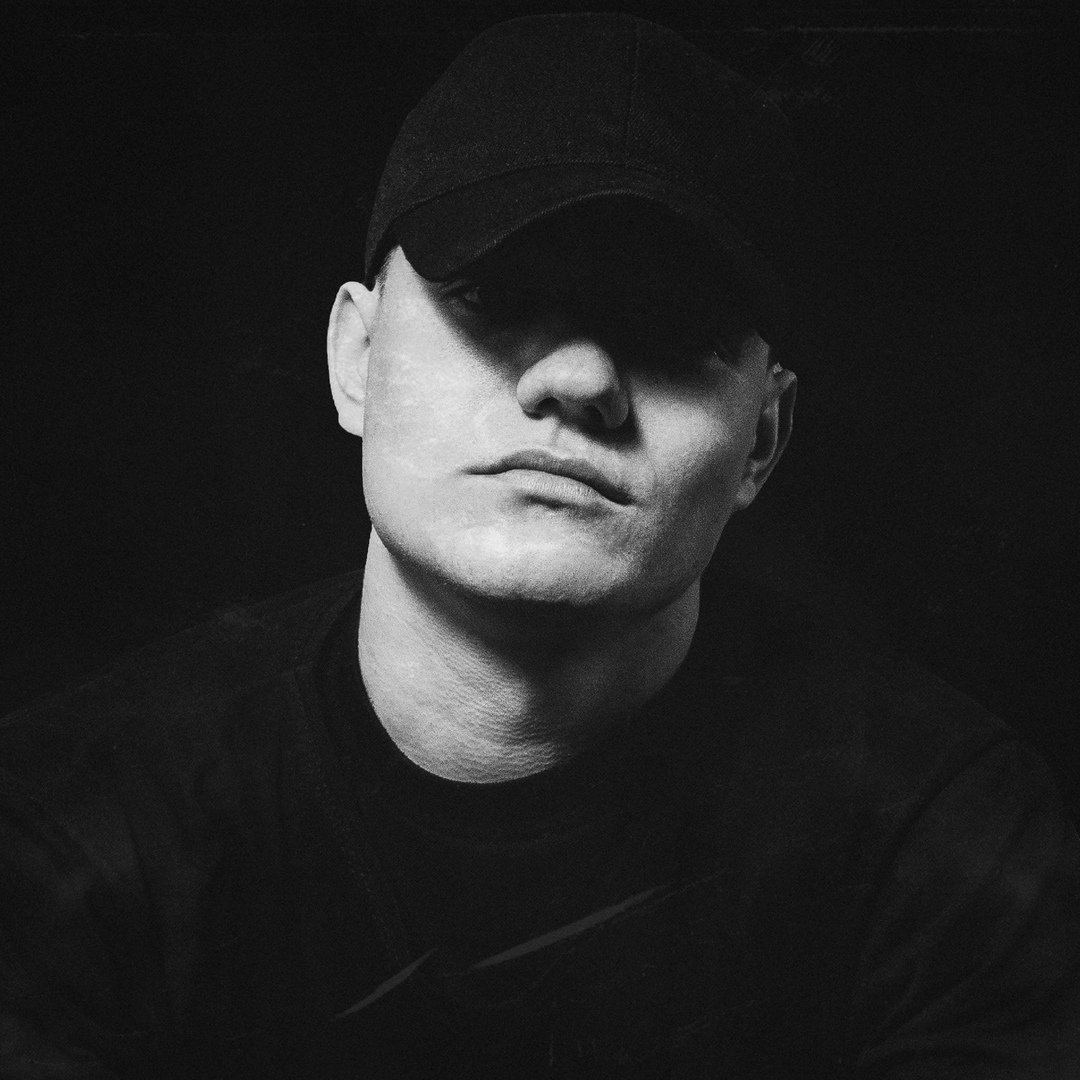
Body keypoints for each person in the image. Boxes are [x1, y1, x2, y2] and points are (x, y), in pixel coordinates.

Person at [2, 12, 1077, 1079]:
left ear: (762, 439)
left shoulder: (952, 851)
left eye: (672, 323)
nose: (579, 379)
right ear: (355, 359)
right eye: (494, 295)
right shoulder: (62, 836)